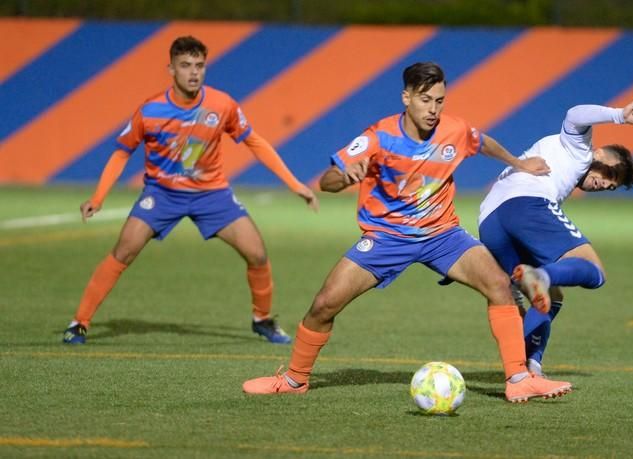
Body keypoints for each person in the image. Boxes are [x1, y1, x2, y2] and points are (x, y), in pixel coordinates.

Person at [243, 62, 572, 403]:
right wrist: (344, 177)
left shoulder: (455, 130)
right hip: (387, 238)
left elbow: (482, 142)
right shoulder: (377, 137)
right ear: (406, 97)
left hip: (442, 235)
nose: (433, 110)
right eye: (425, 100)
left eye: (440, 101)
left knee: (500, 286)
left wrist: (520, 164)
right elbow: (327, 180)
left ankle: (519, 379)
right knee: (325, 304)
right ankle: (294, 380)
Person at [62, 36, 318, 345]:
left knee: (257, 253)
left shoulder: (222, 104)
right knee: (124, 251)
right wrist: (98, 197)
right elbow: (121, 152)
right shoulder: (151, 110)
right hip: (161, 195)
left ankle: (262, 320)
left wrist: (294, 184)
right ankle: (79, 322)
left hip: (212, 195)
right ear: (171, 69)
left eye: (199, 66)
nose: (194, 73)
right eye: (185, 66)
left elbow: (255, 142)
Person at [477, 101, 633, 376]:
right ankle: (541, 276)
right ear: (599, 154)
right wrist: (619, 116)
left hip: (489, 221)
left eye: (612, 186)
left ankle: (528, 370)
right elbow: (574, 114)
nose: (607, 184)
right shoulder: (580, 150)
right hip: (526, 205)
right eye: (611, 173)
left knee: (545, 298)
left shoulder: (561, 164)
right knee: (594, 271)